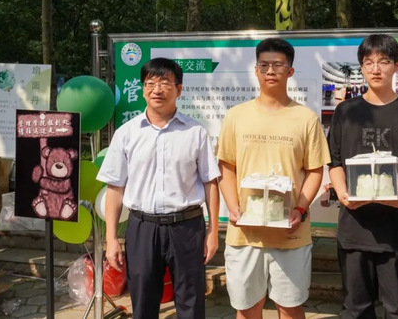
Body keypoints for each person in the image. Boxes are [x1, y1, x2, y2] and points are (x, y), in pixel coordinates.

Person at [216, 37, 331, 319]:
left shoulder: (305, 118)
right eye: (264, 65)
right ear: (255, 70)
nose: (270, 71)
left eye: (278, 65)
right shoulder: (236, 116)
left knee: (290, 307)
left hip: (290, 234)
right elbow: (226, 166)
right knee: (246, 308)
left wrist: (300, 209)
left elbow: (315, 170)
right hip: (245, 235)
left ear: (290, 71)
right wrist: (233, 207)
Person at [98, 58, 220, 319]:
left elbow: (210, 182)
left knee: (191, 301)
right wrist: (111, 238)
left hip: (187, 227)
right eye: (150, 83)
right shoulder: (126, 133)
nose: (156, 90)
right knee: (143, 301)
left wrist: (212, 231)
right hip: (143, 228)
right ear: (143, 89)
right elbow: (115, 188)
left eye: (165, 83)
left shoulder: (195, 132)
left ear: (179, 89)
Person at [328, 34, 398, 318]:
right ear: (362, 67)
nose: (375, 69)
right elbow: (334, 161)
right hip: (355, 228)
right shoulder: (346, 111)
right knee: (355, 309)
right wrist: (344, 195)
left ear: (396, 66)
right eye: (368, 62)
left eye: (383, 62)